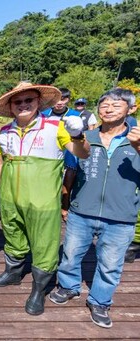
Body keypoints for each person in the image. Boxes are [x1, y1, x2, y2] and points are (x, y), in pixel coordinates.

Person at [0, 82, 90, 316]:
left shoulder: (56, 127)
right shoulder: (4, 131)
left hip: (42, 199)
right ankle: (12, 273)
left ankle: (38, 290)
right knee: (12, 233)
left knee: (44, 242)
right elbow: (1, 161)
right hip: (11, 196)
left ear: (38, 102)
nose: (23, 105)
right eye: (18, 101)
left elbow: (83, 152)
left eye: (28, 100)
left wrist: (78, 134)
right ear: (11, 107)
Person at [49, 89, 140, 328]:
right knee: (70, 254)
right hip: (82, 210)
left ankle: (100, 300)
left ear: (131, 109)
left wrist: (139, 146)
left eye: (116, 105)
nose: (108, 109)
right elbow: (73, 165)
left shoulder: (136, 139)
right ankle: (68, 286)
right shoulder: (86, 136)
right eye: (104, 105)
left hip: (121, 215)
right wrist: (66, 204)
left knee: (111, 263)